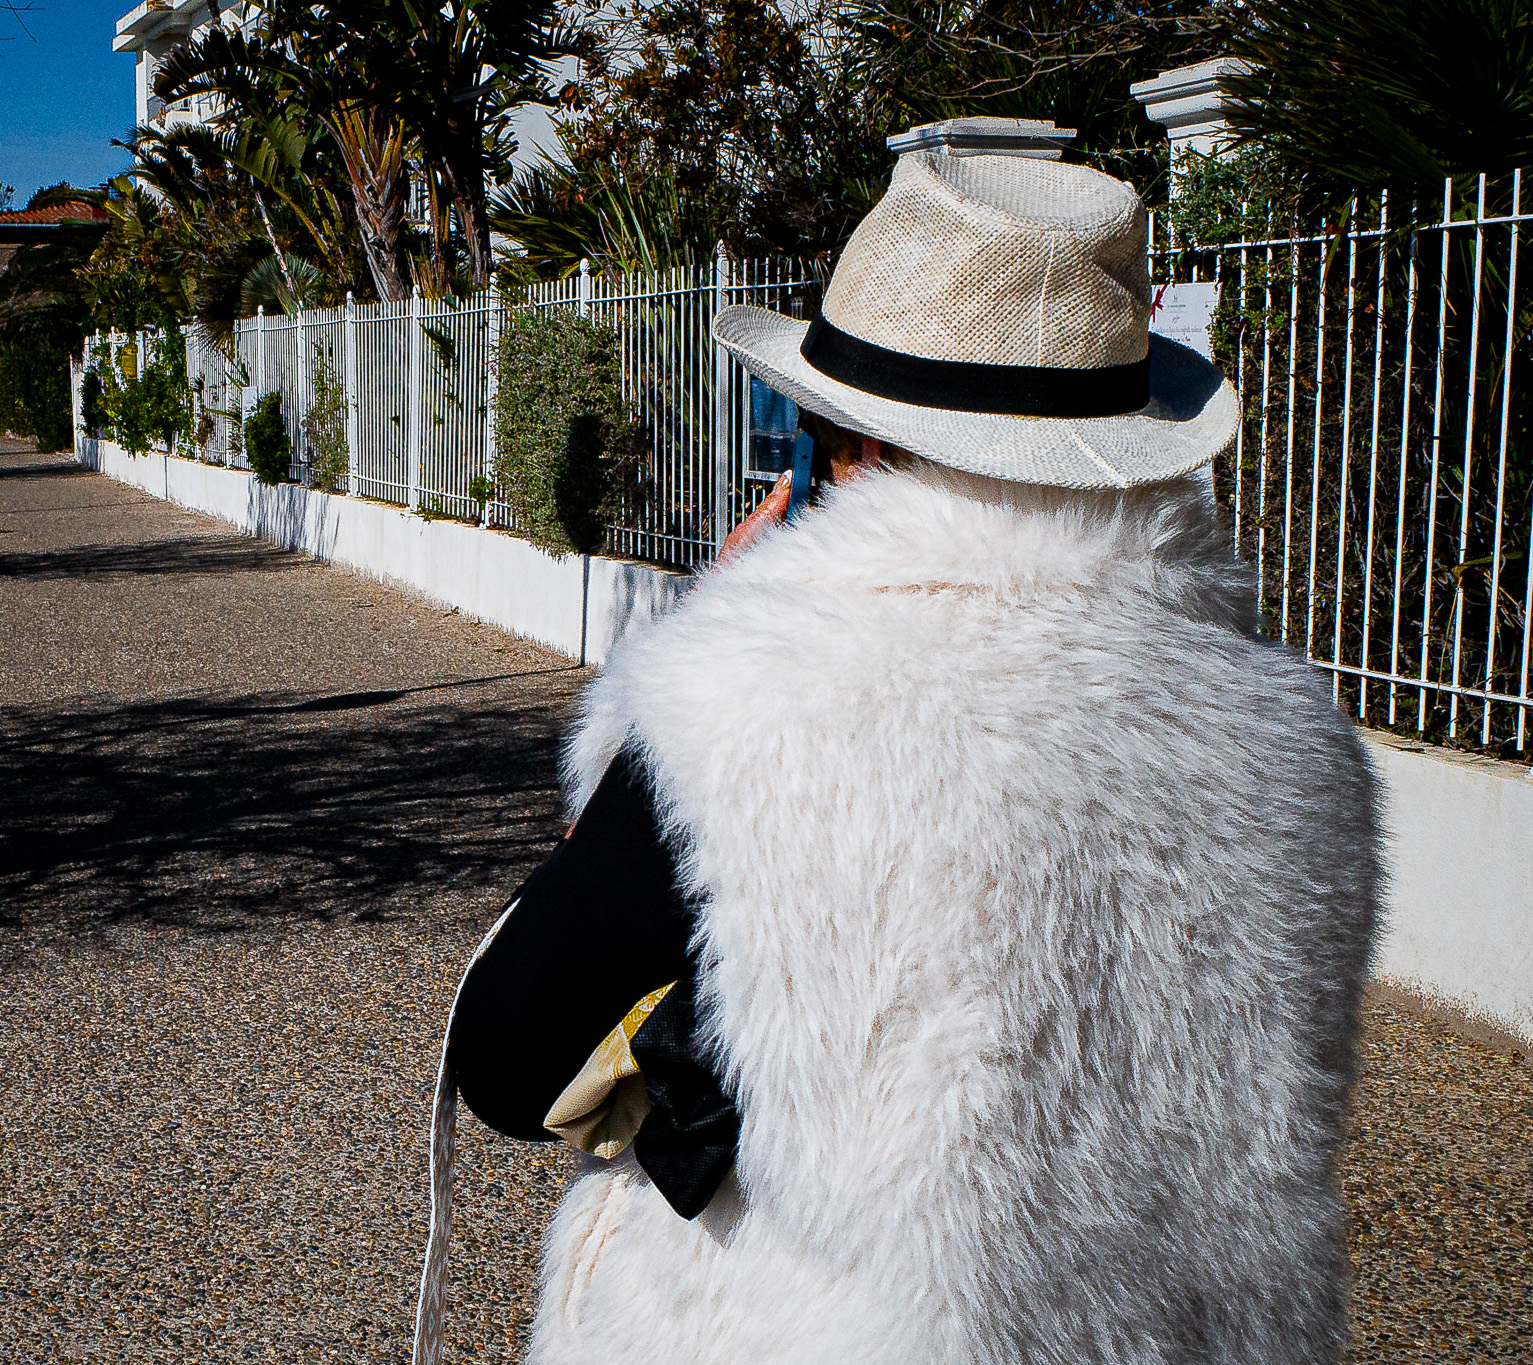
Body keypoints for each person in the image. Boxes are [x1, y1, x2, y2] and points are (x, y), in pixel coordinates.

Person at [435, 147, 1381, 1364]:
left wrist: (703, 643)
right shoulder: (1294, 736)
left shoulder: (748, 699)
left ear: (859, 455)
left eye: (814, 439)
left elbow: (511, 1059)